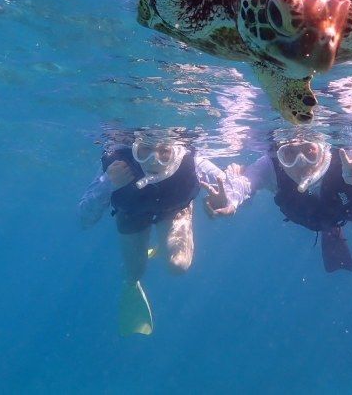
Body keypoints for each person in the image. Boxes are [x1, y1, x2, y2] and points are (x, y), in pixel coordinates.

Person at [79, 130, 237, 336]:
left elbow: (228, 185)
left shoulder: (193, 161)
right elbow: (84, 218)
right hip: (132, 211)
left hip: (175, 208)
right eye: (144, 151)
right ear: (133, 148)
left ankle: (167, 238)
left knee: (178, 265)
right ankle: (134, 280)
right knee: (134, 273)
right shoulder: (116, 163)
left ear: (177, 150)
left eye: (165, 152)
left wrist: (228, 200)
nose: (154, 160)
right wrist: (107, 183)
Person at [203, 130, 352, 272]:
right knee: (326, 219)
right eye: (289, 154)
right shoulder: (269, 166)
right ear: (279, 156)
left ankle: (336, 228)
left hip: (350, 207)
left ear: (323, 149)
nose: (301, 162)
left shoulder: (343, 158)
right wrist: (231, 198)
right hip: (312, 215)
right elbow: (246, 181)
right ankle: (330, 230)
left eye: (309, 151)